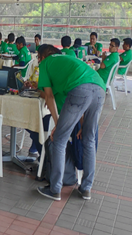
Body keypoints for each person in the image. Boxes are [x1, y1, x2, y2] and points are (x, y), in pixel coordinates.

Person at [35, 44, 106, 201]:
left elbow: (49, 96)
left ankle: (55, 189)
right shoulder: (70, 59)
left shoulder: (46, 63)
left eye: (38, 57)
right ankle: (86, 188)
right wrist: (79, 123)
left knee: (59, 140)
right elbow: (85, 89)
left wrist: (57, 124)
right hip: (100, 89)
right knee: (88, 139)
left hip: (81, 90)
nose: (38, 60)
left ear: (43, 56)